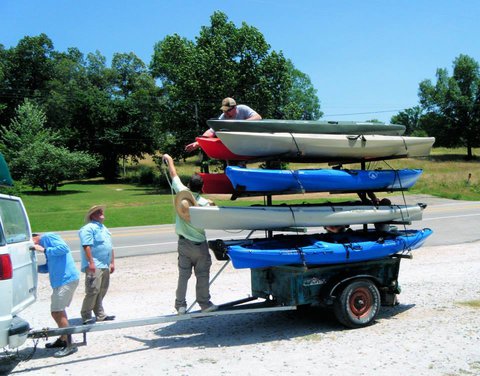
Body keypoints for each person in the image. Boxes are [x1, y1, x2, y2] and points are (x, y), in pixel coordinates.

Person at [162, 153, 217, 314]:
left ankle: (180, 305)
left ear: (189, 185)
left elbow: (173, 174)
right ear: (202, 187)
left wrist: (169, 159)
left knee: (183, 276)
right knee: (202, 275)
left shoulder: (182, 193)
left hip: (183, 243)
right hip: (199, 244)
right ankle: (204, 304)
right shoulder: (204, 203)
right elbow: (214, 213)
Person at [32, 232, 80, 357]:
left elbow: (64, 248)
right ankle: (63, 339)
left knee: (57, 312)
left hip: (66, 280)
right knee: (59, 311)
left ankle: (70, 344)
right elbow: (48, 267)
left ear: (34, 237)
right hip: (61, 281)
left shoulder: (48, 237)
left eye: (31, 242)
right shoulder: (46, 245)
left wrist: (43, 249)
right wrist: (33, 268)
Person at [79, 205, 116, 324]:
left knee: (102, 289)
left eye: (101, 211)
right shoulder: (88, 228)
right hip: (95, 264)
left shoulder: (103, 228)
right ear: (92, 215)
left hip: (104, 264)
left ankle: (100, 314)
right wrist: (91, 262)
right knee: (93, 290)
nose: (101, 212)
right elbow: (86, 246)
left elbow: (110, 246)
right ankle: (86, 315)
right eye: (98, 211)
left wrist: (112, 262)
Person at [185, 97, 262, 153]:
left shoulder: (243, 108)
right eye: (224, 110)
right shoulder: (223, 117)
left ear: (235, 107)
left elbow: (258, 117)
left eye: (228, 110)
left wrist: (239, 124)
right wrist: (199, 142)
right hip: (238, 145)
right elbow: (212, 131)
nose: (226, 113)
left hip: (251, 141)